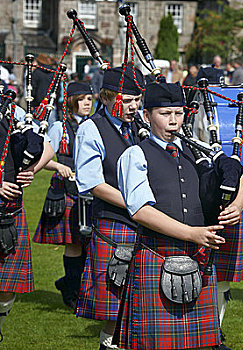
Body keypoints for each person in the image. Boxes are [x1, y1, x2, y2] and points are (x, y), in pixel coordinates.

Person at [113, 80, 243, 350]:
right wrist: (192, 233)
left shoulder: (197, 149)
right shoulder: (135, 155)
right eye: (165, 114)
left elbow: (238, 175)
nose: (173, 122)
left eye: (178, 113)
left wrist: (239, 204)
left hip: (197, 258)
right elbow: (141, 211)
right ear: (146, 115)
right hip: (157, 254)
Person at [74, 66, 146, 350]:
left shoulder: (139, 125)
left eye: (136, 99)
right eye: (126, 100)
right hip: (114, 223)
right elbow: (92, 183)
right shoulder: (91, 129)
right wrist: (135, 203)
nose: (133, 106)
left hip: (146, 222)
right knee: (114, 305)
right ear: (106, 97)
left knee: (142, 301)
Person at [33, 82, 93, 309]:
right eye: (82, 98)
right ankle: (72, 292)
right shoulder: (59, 127)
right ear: (71, 101)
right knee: (74, 243)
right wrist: (58, 167)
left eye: (90, 98)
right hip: (65, 189)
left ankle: (69, 283)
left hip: (90, 189)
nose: (87, 102)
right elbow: (41, 158)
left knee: (88, 244)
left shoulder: (95, 125)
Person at [0, 96, 54, 341]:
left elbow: (48, 145)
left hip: (10, 212)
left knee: (6, 288)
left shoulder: (12, 110)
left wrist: (32, 168)